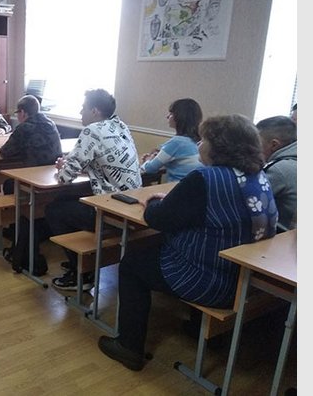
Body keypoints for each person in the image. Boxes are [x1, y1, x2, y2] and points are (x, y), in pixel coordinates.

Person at [97, 114, 279, 372]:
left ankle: (129, 346)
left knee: (131, 264)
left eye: (203, 140)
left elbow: (157, 218)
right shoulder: (258, 176)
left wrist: (153, 202)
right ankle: (199, 329)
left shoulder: (204, 178)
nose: (199, 145)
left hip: (209, 282)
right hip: (246, 278)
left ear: (219, 147)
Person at [45, 89, 142, 291]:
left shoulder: (92, 130)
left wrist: (63, 167)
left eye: (83, 108)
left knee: (54, 209)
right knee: (65, 199)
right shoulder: (120, 126)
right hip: (133, 204)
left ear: (95, 111)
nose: (81, 112)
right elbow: (102, 160)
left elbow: (65, 178)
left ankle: (82, 272)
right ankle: (82, 259)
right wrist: (75, 165)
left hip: (111, 211)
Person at [0, 94, 63, 194]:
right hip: (52, 174)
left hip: (35, 177)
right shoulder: (51, 124)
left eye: (17, 113)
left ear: (23, 112)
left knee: (9, 184)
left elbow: (4, 152)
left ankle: (20, 204)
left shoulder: (24, 128)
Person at [140, 98, 204, 181]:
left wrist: (147, 160)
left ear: (180, 117)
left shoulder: (177, 142)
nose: (167, 116)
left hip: (177, 187)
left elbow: (150, 169)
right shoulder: (200, 140)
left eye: (171, 114)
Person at [256, 115, 297, 231]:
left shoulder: (279, 170)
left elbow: (250, 200)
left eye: (257, 143)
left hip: (281, 236)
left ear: (274, 145)